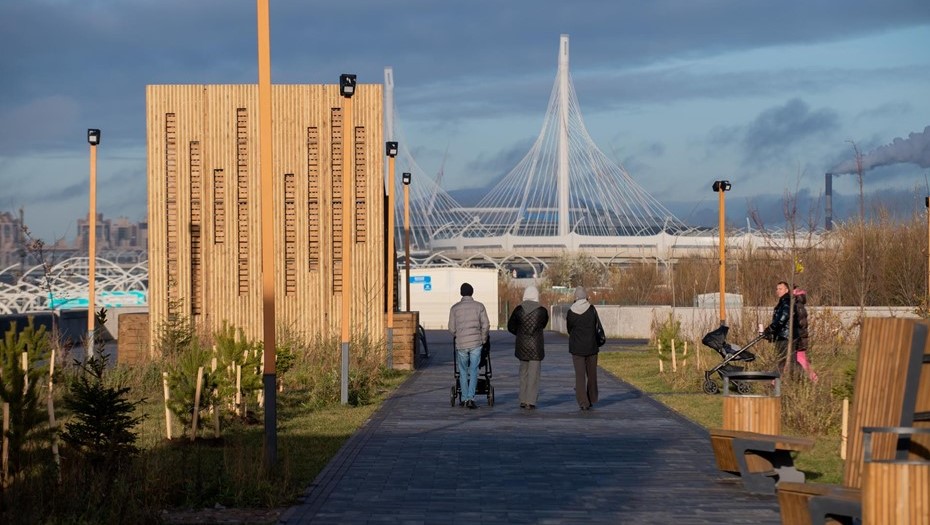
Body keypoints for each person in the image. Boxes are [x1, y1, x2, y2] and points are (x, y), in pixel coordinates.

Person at [448, 282, 490, 409]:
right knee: (474, 370)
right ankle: (471, 398)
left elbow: (451, 328)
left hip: (461, 343)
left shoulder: (454, 308)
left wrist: (458, 335)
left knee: (462, 371)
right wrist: (483, 339)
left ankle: (464, 398)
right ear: (472, 292)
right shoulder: (479, 306)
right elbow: (486, 325)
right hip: (476, 343)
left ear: (461, 293)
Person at [507, 286, 549, 409]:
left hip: (522, 345)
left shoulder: (518, 310)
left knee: (523, 373)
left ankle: (522, 399)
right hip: (536, 346)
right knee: (533, 375)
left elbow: (510, 326)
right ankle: (530, 401)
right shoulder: (542, 311)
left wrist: (519, 333)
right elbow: (543, 324)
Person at [566, 286, 603, 411]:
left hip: (577, 348)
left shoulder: (571, 312)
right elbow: (596, 325)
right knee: (592, 374)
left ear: (575, 297)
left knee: (580, 375)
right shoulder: (591, 309)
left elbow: (569, 329)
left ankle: (583, 402)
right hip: (591, 346)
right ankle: (592, 398)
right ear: (586, 296)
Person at [762, 280, 799, 376]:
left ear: (786, 290)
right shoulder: (783, 301)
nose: (778, 291)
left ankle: (778, 380)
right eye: (777, 289)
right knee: (786, 360)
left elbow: (783, 317)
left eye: (780, 289)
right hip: (784, 335)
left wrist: (771, 328)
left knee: (785, 359)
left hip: (785, 336)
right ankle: (782, 379)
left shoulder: (786, 301)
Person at [792, 286, 819, 382]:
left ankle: (814, 378)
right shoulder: (800, 306)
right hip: (800, 338)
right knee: (801, 360)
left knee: (801, 360)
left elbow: (799, 323)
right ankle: (813, 378)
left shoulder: (797, 307)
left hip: (798, 339)